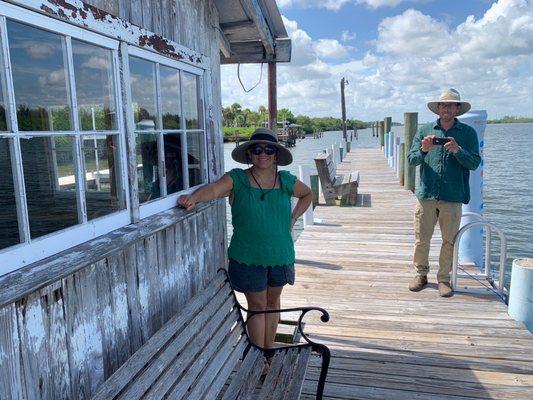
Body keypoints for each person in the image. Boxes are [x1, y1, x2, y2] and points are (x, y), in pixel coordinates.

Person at [178, 127, 312, 354]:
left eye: (269, 149)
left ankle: (270, 351)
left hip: (280, 255)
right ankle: (258, 357)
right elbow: (213, 190)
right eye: (257, 149)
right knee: (258, 307)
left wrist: (293, 217)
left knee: (272, 304)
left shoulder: (286, 181)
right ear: (249, 153)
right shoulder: (237, 179)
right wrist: (193, 198)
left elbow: (307, 194)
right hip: (249, 257)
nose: (263, 153)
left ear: (276, 154)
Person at [407, 88, 481, 297]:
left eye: (451, 105)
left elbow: (475, 163)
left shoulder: (468, 133)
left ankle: (443, 279)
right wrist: (423, 149)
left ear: (458, 109)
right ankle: (421, 274)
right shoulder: (424, 130)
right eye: (443, 104)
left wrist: (458, 151)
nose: (447, 108)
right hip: (426, 194)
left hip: (453, 195)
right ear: (437, 108)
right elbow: (411, 160)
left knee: (449, 240)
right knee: (422, 238)